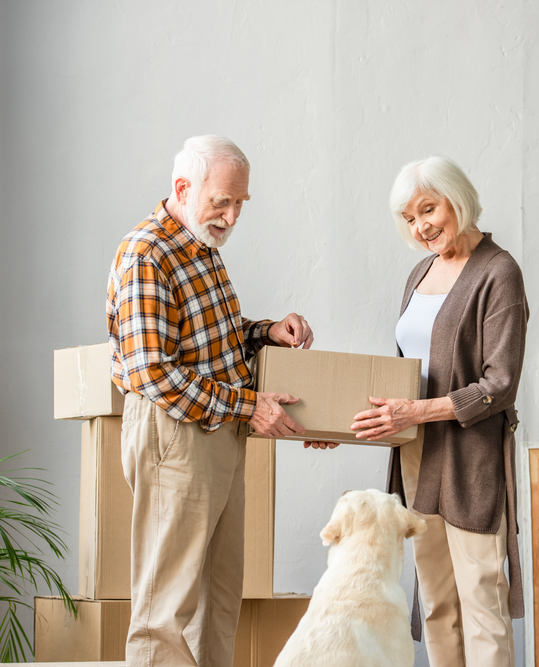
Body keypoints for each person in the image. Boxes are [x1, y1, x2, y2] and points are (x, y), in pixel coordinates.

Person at [107, 135, 313, 667]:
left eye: (241, 202)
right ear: (182, 187)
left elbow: (211, 338)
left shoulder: (202, 248)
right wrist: (250, 406)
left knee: (218, 600)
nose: (232, 214)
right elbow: (153, 372)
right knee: (165, 606)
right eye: (222, 200)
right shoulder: (148, 252)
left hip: (217, 430)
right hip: (175, 434)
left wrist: (268, 331)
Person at [346, 156, 527, 665]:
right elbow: (408, 369)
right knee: (436, 606)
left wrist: (415, 412)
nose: (421, 226)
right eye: (409, 218)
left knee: (481, 604)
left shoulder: (499, 272)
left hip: (472, 462)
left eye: (429, 208)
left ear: (458, 199)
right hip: (416, 457)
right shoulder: (419, 272)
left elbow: (501, 383)